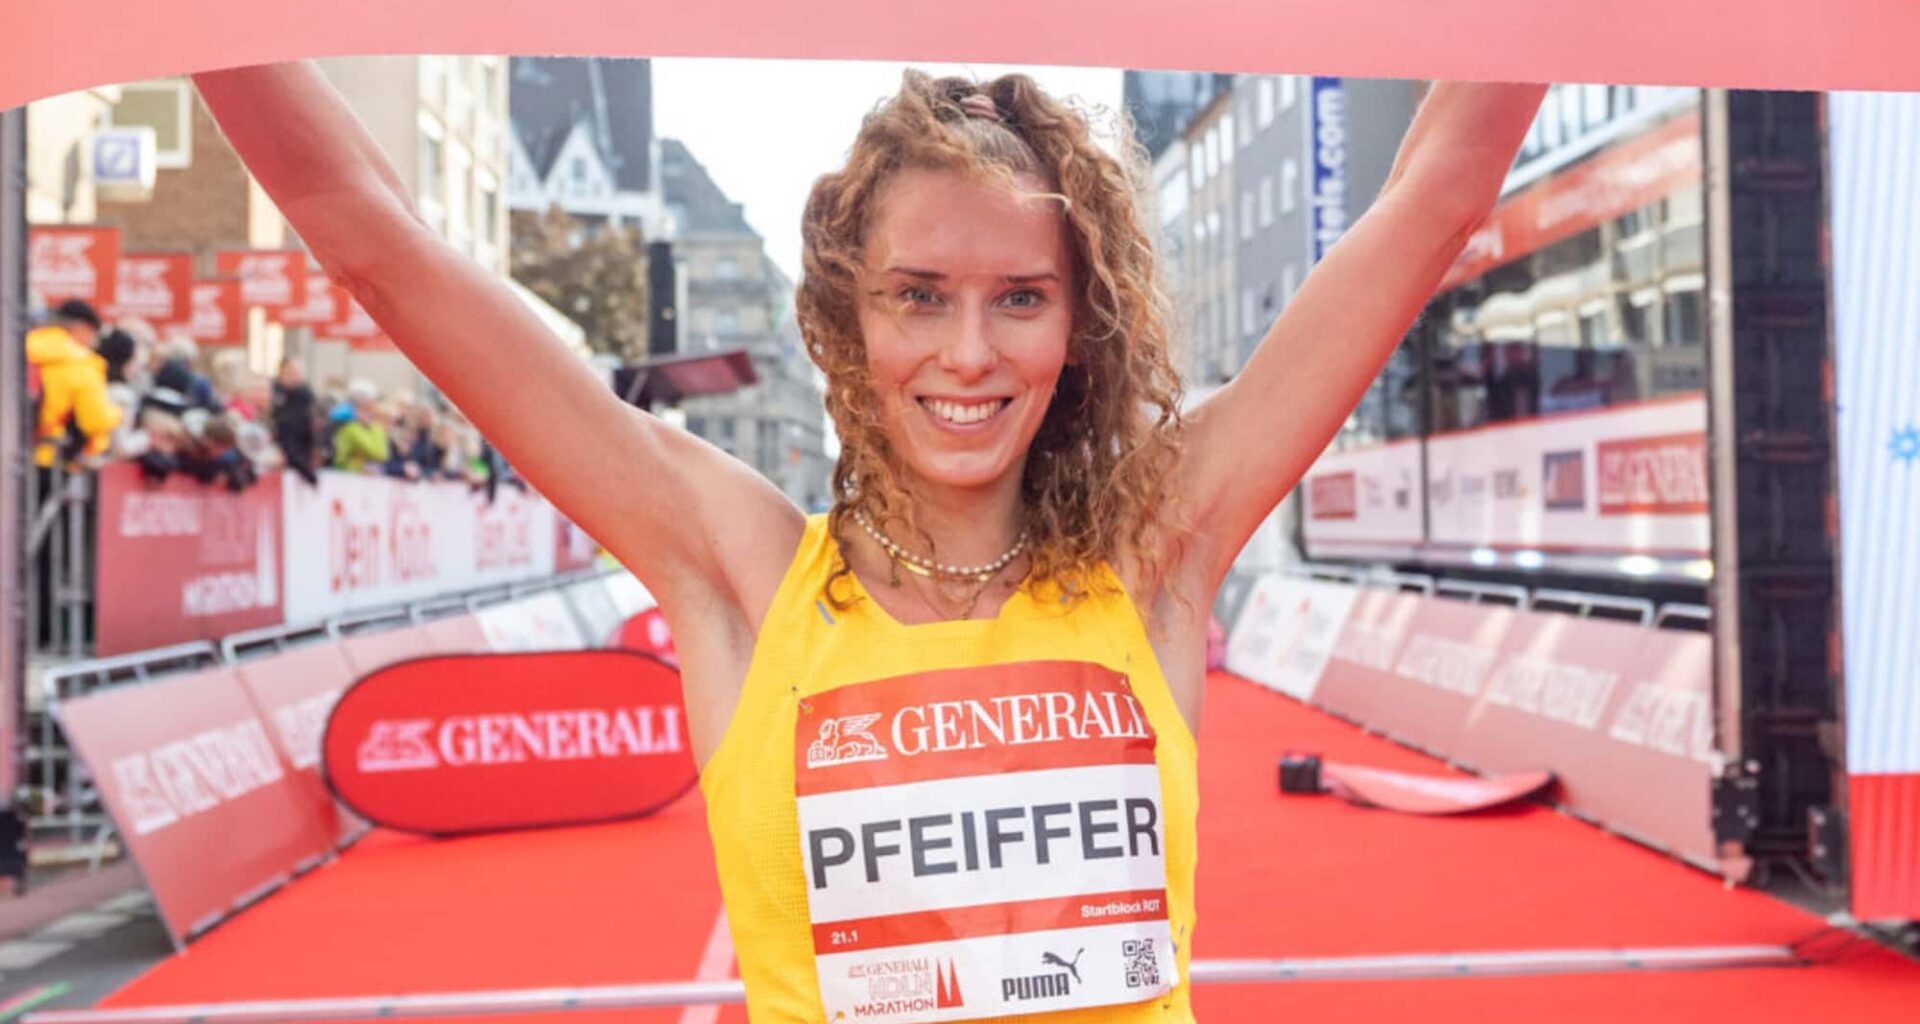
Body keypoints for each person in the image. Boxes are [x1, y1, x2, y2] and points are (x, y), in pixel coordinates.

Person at [195, 64, 1543, 1022]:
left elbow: (1433, 195)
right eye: (918, 297)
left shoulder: (1155, 548)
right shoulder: (738, 574)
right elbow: (374, 236)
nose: (969, 354)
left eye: (1021, 297)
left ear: (1080, 327)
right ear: (849, 314)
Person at [26, 299, 121, 468]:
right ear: (82, 328)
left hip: (14, 455)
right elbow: (94, 421)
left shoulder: (23, 347)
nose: (95, 341)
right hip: (52, 458)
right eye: (94, 333)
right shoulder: (82, 363)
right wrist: (117, 413)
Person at [329, 379, 391, 473]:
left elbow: (382, 453)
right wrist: (360, 465)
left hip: (374, 478)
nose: (368, 412)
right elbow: (340, 458)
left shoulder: (377, 428)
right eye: (363, 408)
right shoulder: (348, 427)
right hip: (350, 477)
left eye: (369, 408)